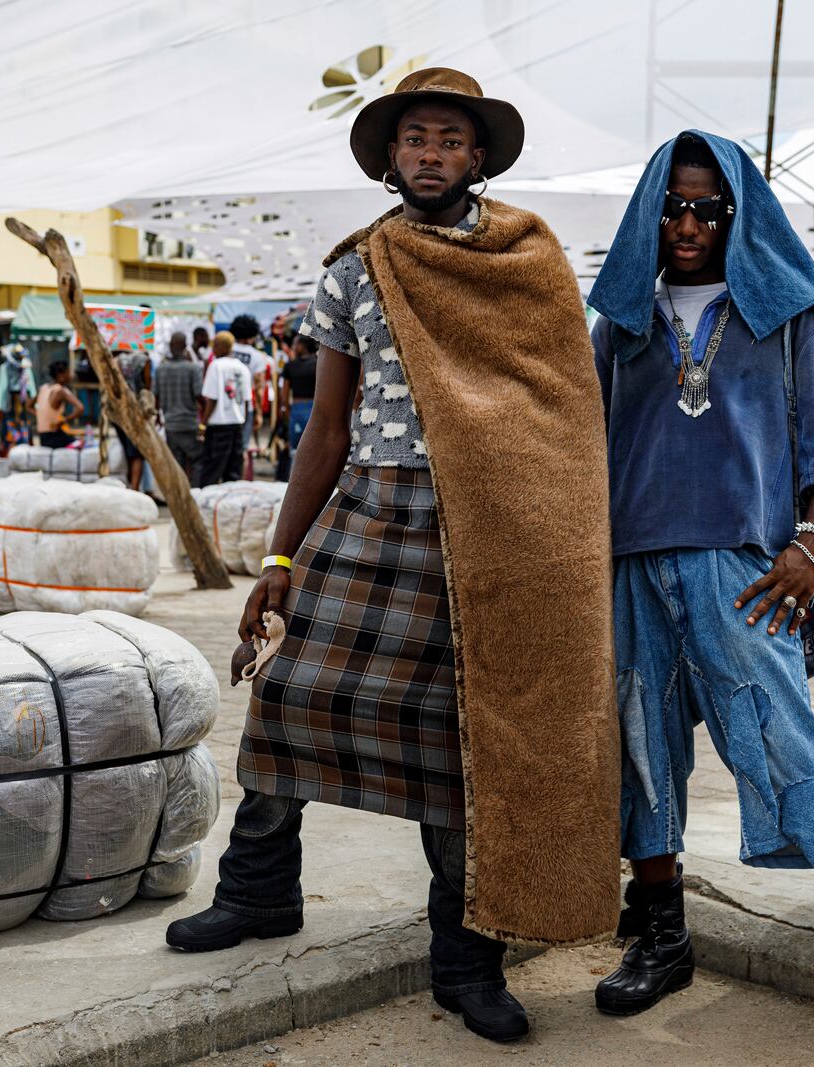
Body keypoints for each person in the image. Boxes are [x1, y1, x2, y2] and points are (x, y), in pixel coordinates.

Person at [165, 67, 619, 1046]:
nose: (430, 156)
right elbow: (324, 426)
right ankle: (256, 891)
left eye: (450, 141)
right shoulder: (352, 268)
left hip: (493, 524)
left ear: (480, 157)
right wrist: (279, 559)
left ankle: (466, 959)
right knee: (289, 692)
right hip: (372, 503)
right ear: (388, 157)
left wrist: (563, 547)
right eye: (414, 139)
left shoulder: (527, 258)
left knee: (469, 738)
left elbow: (563, 415)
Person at [586, 131, 814, 1054]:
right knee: (640, 749)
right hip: (632, 562)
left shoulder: (789, 310)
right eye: (674, 207)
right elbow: (584, 446)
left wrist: (813, 544)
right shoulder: (622, 317)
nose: (689, 225)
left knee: (783, 742)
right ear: (651, 212)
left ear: (737, 216)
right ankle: (662, 934)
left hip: (747, 570)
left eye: (709, 209)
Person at [197, 331, 250, 486]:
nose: (213, 350)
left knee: (211, 469)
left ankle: (205, 506)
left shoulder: (216, 366)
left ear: (220, 346)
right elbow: (246, 401)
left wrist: (203, 424)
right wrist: (243, 422)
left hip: (219, 425)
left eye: (215, 346)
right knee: (233, 471)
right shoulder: (242, 368)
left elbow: (212, 399)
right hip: (237, 425)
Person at [155, 331, 204, 483]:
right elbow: (199, 395)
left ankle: (180, 499)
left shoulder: (160, 369)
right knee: (197, 460)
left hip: (170, 424)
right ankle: (195, 494)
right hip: (188, 423)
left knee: (177, 464)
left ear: (170, 346)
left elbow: (155, 397)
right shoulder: (192, 369)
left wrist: (158, 416)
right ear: (185, 346)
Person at [275, 333, 318, 482]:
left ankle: (294, 481)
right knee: (314, 449)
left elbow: (284, 396)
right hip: (315, 408)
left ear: (301, 345)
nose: (294, 347)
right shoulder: (319, 363)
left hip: (297, 409)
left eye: (295, 344)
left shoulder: (290, 366)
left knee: (295, 450)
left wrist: (286, 414)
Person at [229, 315, 275, 449]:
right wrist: (259, 414)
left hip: (222, 406)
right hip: (244, 406)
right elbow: (259, 388)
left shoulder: (226, 349)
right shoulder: (257, 357)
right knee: (242, 448)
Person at [115, 345, 152, 493]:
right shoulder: (144, 360)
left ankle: (131, 485)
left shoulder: (116, 360)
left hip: (119, 410)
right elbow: (147, 385)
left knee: (128, 452)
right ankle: (135, 489)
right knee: (137, 453)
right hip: (136, 412)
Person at [35, 361, 82, 449]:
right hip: (54, 437)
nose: (70, 375)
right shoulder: (60, 390)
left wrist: (42, 415)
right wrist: (63, 421)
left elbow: (29, 406)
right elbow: (80, 408)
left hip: (42, 437)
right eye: (68, 372)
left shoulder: (43, 388)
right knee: (81, 443)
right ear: (61, 376)